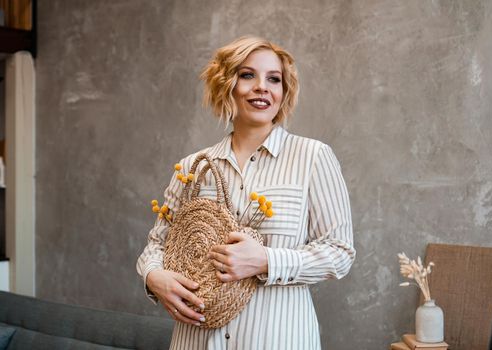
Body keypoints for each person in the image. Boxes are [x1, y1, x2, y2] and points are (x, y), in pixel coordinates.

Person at [136, 35, 356, 350]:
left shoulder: (313, 157)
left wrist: (266, 260)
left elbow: (340, 253)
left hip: (279, 338)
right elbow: (156, 244)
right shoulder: (192, 169)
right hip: (195, 340)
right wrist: (154, 278)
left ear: (284, 91)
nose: (262, 87)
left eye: (274, 79)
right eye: (247, 75)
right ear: (227, 83)